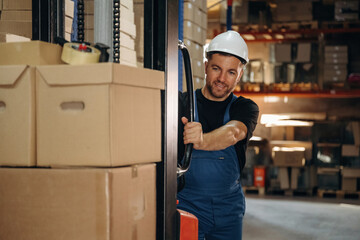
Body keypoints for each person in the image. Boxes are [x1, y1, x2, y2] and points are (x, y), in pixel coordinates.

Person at [177, 30, 259, 240]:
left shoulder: (245, 107)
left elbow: (234, 132)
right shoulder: (182, 104)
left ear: (240, 74)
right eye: (216, 69)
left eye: (231, 72)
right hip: (187, 204)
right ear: (206, 66)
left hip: (228, 210)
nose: (222, 79)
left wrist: (202, 140)